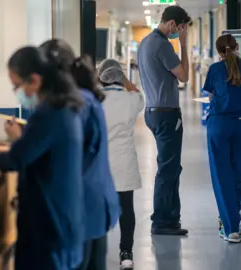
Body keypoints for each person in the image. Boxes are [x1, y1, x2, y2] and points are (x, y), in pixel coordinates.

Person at [0, 45, 86, 269]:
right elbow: (29, 150)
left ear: (35, 80)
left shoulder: (48, 114)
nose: (17, 92)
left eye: (17, 86)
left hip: (49, 228)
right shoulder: (62, 108)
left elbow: (17, 158)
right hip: (61, 223)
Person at [39, 39, 120, 270]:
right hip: (96, 204)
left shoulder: (73, 104)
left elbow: (62, 152)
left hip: (82, 207)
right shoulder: (86, 97)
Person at [203, 32, 241, 243]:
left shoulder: (214, 70)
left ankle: (231, 229)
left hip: (218, 125)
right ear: (237, 47)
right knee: (238, 177)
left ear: (219, 52)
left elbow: (211, 97)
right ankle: (233, 223)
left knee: (222, 177)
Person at [137, 5, 191, 235]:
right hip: (167, 114)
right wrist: (184, 44)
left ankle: (170, 218)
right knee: (168, 169)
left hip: (153, 110)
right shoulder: (162, 44)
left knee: (170, 166)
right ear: (171, 24)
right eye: (180, 29)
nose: (180, 32)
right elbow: (185, 75)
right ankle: (161, 221)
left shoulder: (146, 43)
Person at [97, 58, 144, 269]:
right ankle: (126, 254)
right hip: (124, 162)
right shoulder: (131, 100)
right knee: (126, 209)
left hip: (100, 165)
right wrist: (126, 78)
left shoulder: (95, 101)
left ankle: (96, 252)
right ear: (120, 77)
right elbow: (137, 93)